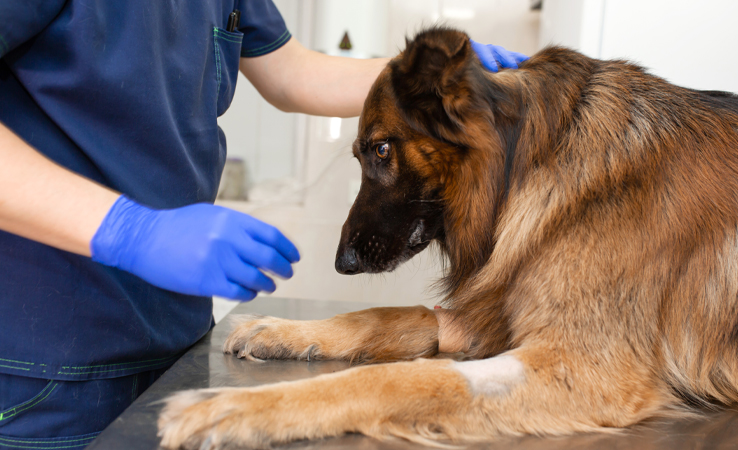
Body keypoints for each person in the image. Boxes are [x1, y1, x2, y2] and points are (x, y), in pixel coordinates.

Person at [0, 2, 528, 448]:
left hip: (172, 340)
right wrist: (127, 230)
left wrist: (420, 79)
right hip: (42, 364)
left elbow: (290, 73)